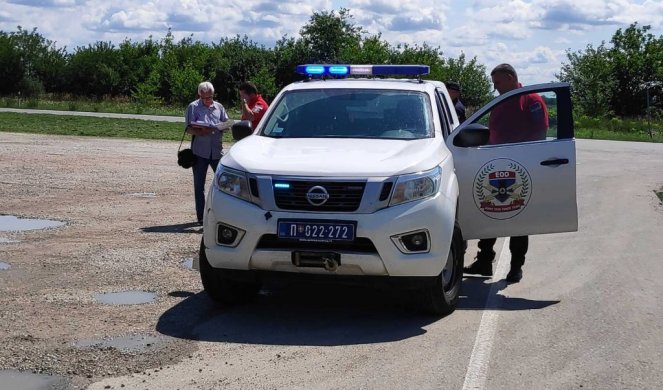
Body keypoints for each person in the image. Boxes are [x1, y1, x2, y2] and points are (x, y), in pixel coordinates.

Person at [463, 63, 549, 283]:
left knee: (519, 219)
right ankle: (484, 261)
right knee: (489, 212)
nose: (496, 87)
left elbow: (540, 133)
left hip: (521, 167)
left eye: (498, 82)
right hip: (496, 165)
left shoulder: (531, 100)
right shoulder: (501, 101)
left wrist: (528, 159)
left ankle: (516, 267)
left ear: (511, 78)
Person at [185, 81, 229, 225]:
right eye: (204, 98)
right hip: (200, 152)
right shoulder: (193, 107)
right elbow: (188, 129)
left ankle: (225, 215)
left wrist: (219, 127)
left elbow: (227, 123)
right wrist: (201, 131)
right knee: (199, 186)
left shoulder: (219, 107)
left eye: (210, 97)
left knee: (226, 184)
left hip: (217, 151)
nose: (208, 100)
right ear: (199, 95)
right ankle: (201, 218)